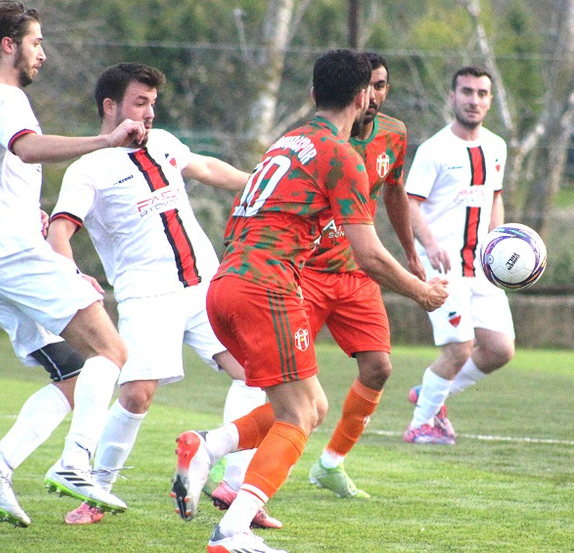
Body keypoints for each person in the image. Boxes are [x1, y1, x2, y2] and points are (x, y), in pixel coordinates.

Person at [170, 49, 448, 553]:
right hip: (267, 287)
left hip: (226, 284)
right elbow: (369, 256)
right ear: (364, 95)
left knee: (310, 405)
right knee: (299, 416)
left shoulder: (289, 140)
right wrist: (422, 291)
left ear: (313, 93)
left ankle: (207, 447)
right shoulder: (340, 155)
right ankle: (233, 530)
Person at [0, 1, 148, 527]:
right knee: (112, 350)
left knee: (75, 372)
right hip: (16, 256)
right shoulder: (6, 99)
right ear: (9, 45)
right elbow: (27, 149)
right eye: (36, 43)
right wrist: (104, 140)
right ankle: (77, 465)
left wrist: (5, 205)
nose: (42, 55)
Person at [45, 62, 276, 527]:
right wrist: (71, 275)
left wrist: (261, 180)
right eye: (139, 103)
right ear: (110, 107)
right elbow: (59, 231)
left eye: (152, 104)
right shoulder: (89, 168)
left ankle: (233, 486)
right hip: (148, 297)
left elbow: (206, 167)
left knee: (259, 375)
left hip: (206, 288)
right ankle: (97, 492)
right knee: (137, 395)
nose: (149, 113)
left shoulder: (164, 142)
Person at [297, 52, 427, 498]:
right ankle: (228, 466)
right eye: (369, 85)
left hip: (355, 273)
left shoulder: (394, 134)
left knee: (378, 368)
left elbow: (394, 190)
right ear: (353, 91)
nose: (374, 95)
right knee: (281, 375)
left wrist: (410, 251)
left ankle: (330, 464)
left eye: (383, 85)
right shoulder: (322, 140)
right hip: (309, 272)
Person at [403, 65, 515, 445]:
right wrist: (430, 245)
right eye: (466, 92)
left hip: (481, 267)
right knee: (458, 348)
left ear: (490, 100)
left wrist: (497, 244)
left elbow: (495, 197)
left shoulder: (497, 146)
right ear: (451, 97)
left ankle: (433, 393)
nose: (474, 100)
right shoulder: (435, 149)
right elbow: (409, 202)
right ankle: (421, 424)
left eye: (482, 93)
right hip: (444, 268)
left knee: (500, 350)